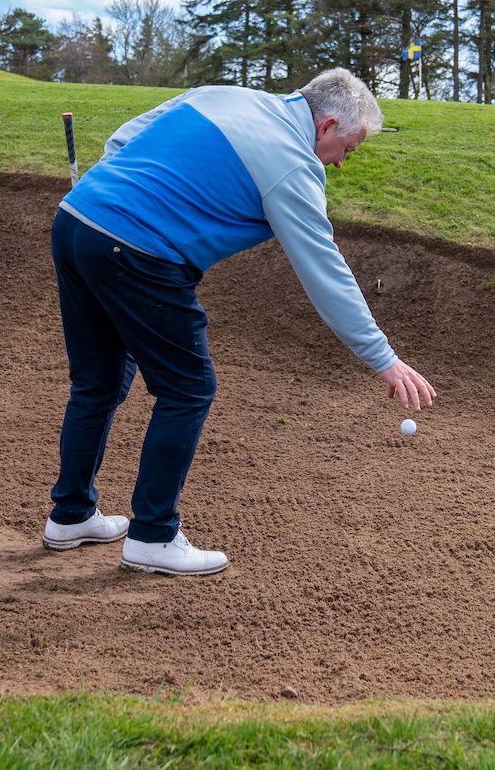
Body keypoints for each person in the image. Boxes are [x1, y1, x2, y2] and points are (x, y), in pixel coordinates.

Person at [42, 69, 436, 576]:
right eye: (347, 148)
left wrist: (113, 196)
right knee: (188, 388)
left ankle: (70, 515)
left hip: (75, 221)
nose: (341, 162)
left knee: (98, 381)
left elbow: (123, 139)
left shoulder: (224, 95)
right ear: (327, 125)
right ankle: (153, 537)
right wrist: (384, 359)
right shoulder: (293, 164)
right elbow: (325, 271)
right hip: (138, 252)